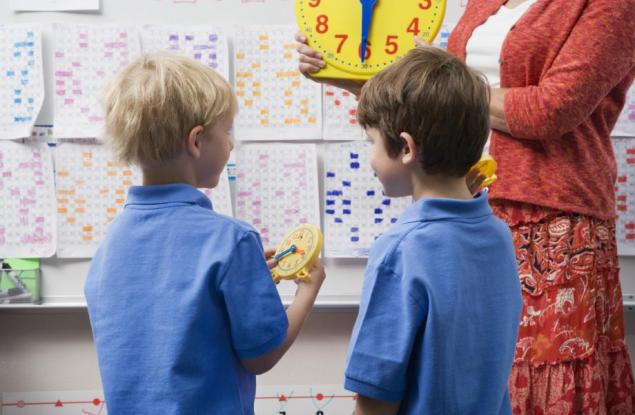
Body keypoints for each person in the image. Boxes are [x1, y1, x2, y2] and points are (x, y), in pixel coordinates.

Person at [297, 0, 635, 412]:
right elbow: (430, 113)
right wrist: (346, 70)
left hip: (551, 223)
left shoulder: (611, 5)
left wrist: (436, 92)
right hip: (474, 208)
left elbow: (550, 110)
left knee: (535, 379)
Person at [84, 53, 326, 415]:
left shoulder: (110, 244)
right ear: (196, 141)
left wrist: (244, 277)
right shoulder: (232, 240)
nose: (231, 143)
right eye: (227, 131)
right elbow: (262, 355)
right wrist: (307, 292)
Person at [343, 46, 522, 414]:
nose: (370, 157)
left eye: (372, 142)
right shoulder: (498, 236)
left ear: (406, 148)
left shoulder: (400, 249)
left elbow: (376, 398)